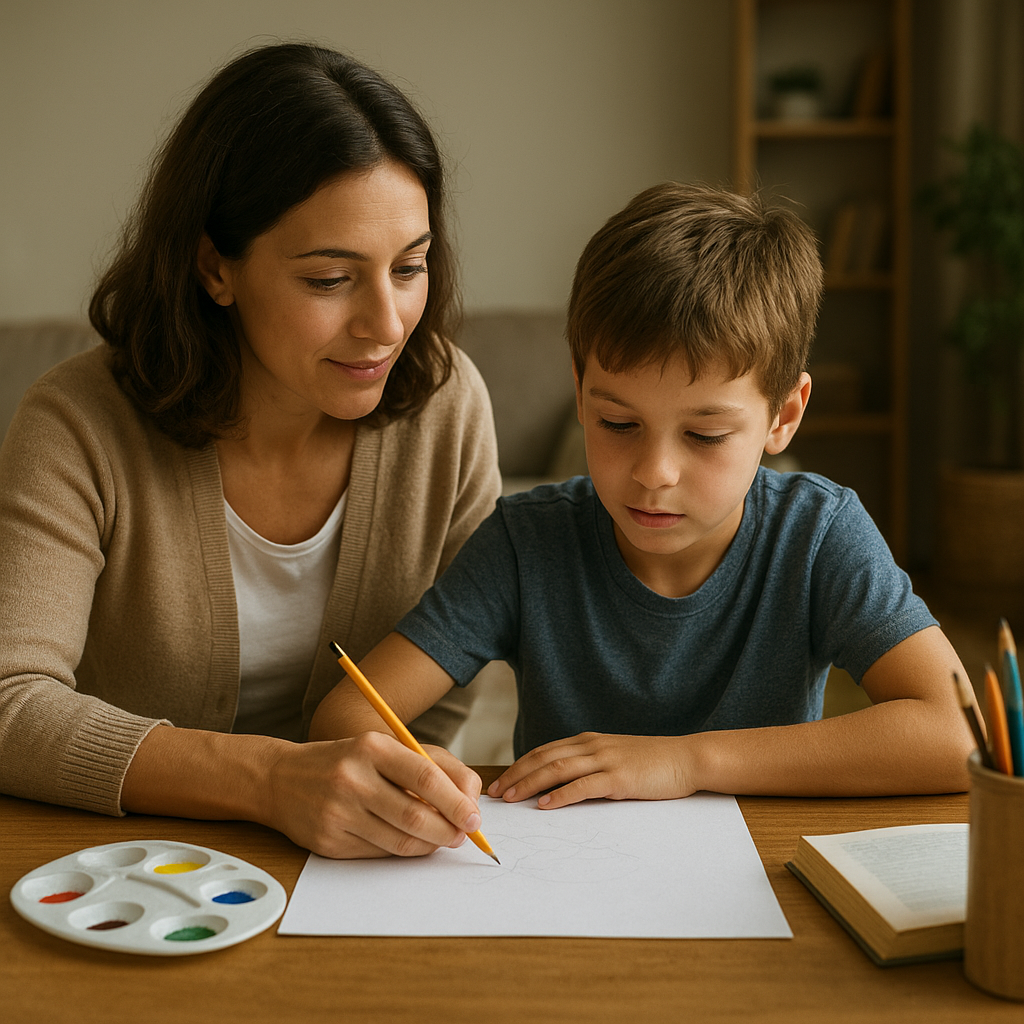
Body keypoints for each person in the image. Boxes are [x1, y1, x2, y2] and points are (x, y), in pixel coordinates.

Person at [312, 181, 975, 813]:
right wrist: (418, 772)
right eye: (619, 424)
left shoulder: (819, 534)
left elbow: (956, 736)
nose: (655, 472)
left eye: (706, 434)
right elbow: (345, 716)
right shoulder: (527, 542)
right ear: (578, 391)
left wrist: (685, 762)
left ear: (784, 415)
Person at [0, 43, 500, 859]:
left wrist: (406, 792)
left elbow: (442, 686)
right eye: (329, 280)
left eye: (410, 267)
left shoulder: (446, 406)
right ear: (215, 266)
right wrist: (268, 783)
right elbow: (10, 702)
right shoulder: (76, 424)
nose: (387, 325)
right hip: (125, 868)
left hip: (356, 868)